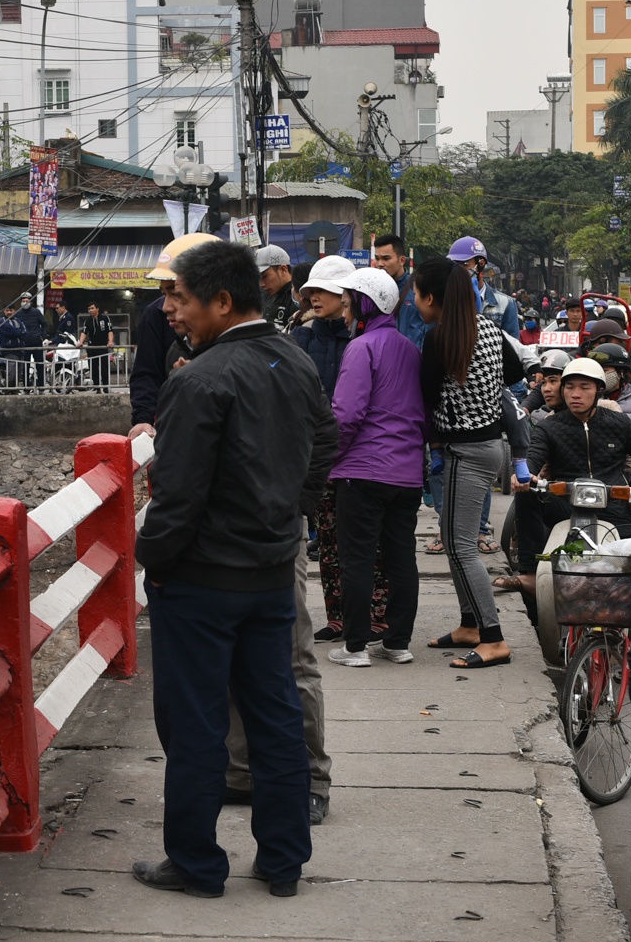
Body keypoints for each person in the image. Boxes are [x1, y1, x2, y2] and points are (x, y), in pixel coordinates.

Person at [133, 238, 336, 898]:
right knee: (275, 714)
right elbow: (324, 448)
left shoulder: (197, 379)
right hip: (271, 572)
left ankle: (195, 861)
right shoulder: (295, 360)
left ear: (222, 301)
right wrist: (289, 517)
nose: (169, 309)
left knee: (195, 724)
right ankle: (283, 860)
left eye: (179, 297)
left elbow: (179, 492)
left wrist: (153, 560)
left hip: (202, 579)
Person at [416, 256, 525, 670]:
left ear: (430, 297)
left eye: (416, 295)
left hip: (466, 450)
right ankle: (468, 624)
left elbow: (425, 396)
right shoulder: (491, 330)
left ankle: (493, 638)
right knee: (452, 536)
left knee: (461, 547)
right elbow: (513, 372)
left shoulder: (439, 337)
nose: (415, 302)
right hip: (489, 444)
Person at [326, 268, 427, 668]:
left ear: (366, 305)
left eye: (349, 304)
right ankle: (398, 643)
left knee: (358, 559)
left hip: (363, 471)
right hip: (406, 474)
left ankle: (354, 647)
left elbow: (346, 415)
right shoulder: (409, 348)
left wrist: (328, 458)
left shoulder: (361, 348)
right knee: (402, 557)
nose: (346, 312)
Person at [290, 258, 386, 652]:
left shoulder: (362, 340)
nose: (314, 296)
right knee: (327, 540)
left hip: (358, 455)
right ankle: (337, 617)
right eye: (311, 290)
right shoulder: (302, 338)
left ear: (348, 296)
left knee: (366, 542)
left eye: (324, 290)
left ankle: (376, 617)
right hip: (316, 454)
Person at [510, 358, 631, 593]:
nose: (575, 394)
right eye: (570, 387)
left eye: (585, 387)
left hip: (614, 502)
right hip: (563, 501)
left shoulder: (619, 423)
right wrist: (524, 476)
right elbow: (533, 459)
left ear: (598, 391)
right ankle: (530, 572)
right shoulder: (548, 427)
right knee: (526, 495)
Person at [129, 232, 219, 434]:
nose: (167, 307)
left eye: (177, 294)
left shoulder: (258, 357)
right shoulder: (170, 339)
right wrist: (143, 418)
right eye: (164, 293)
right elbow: (146, 373)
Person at [449, 237, 523, 337]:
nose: (457, 270)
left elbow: (512, 346)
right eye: (454, 265)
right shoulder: (445, 300)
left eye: (464, 264)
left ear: (481, 264)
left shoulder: (505, 303)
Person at [586, 342, 631, 439]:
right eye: (596, 371)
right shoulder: (587, 399)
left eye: (605, 371)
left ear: (620, 373)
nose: (600, 375)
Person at [372, 234, 427, 347]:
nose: (380, 264)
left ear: (402, 260)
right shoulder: (372, 291)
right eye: (377, 258)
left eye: (386, 258)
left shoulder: (417, 288)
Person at [255, 244, 298, 329]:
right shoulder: (266, 296)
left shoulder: (298, 299)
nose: (262, 284)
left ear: (283, 270)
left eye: (264, 277)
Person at [81, 301, 114, 390]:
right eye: (89, 309)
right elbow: (84, 332)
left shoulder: (105, 318)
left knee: (104, 368)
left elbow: (110, 331)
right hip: (92, 347)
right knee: (93, 369)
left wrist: (110, 341)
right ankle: (97, 387)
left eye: (92, 308)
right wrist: (80, 342)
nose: (90, 310)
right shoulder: (87, 321)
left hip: (103, 347)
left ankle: (106, 387)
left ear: (97, 309)